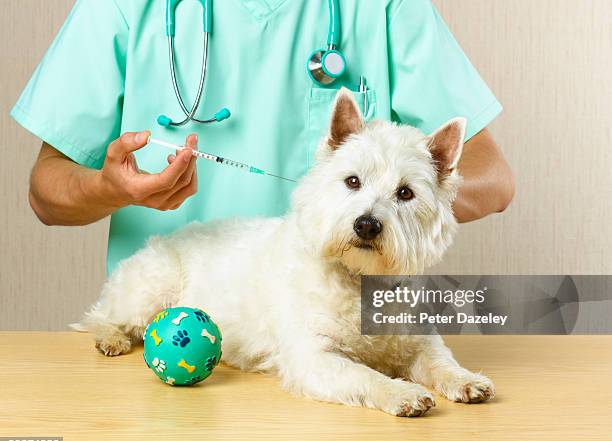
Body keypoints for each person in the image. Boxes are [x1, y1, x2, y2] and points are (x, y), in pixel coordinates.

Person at [12, 0, 514, 273]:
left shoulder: (385, 8)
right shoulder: (120, 7)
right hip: (171, 327)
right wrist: (108, 189)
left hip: (341, 335)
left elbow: (493, 178)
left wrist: (410, 200)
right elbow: (45, 193)